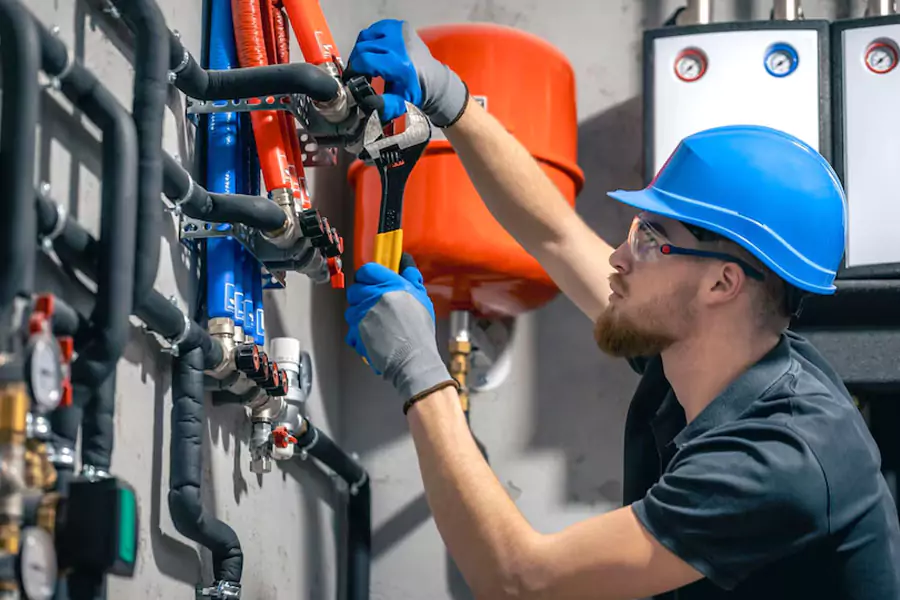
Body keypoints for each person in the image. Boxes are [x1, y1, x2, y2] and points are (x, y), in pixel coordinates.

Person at [343, 18, 900, 600]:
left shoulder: (781, 456)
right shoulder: (705, 351)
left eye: (650, 240)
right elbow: (555, 234)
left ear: (723, 284)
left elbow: (519, 581)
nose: (617, 257)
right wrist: (451, 100)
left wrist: (419, 372)